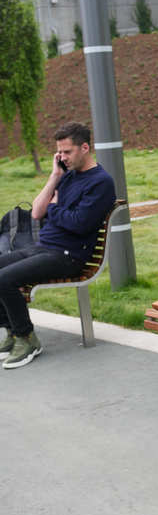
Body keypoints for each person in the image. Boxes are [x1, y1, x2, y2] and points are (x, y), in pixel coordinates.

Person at [0, 122, 116, 369]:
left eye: (67, 152)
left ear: (84, 148)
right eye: (59, 153)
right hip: (44, 247)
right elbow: (37, 212)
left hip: (68, 256)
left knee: (4, 279)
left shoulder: (101, 182)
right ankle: (12, 331)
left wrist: (55, 208)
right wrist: (55, 176)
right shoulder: (67, 175)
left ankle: (27, 338)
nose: (62, 157)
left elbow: (79, 224)